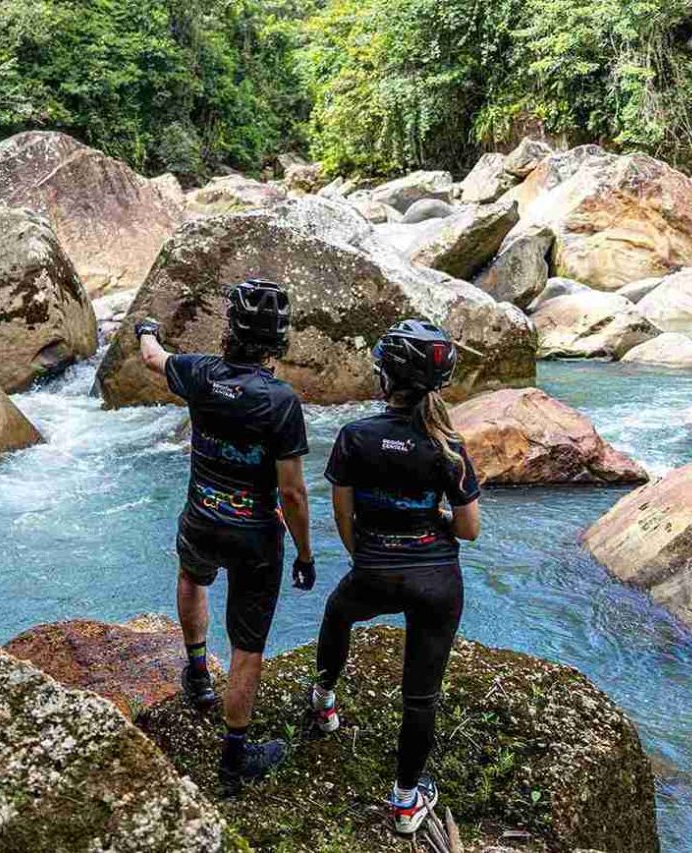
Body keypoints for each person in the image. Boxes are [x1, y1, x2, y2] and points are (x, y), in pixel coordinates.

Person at [135, 279, 315, 796]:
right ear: (278, 340)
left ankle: (197, 674)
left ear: (230, 328)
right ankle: (235, 761)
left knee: (193, 577)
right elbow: (292, 492)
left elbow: (152, 357)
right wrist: (305, 554)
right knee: (247, 647)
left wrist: (146, 328)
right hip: (255, 537)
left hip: (201, 516)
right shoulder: (281, 401)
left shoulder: (199, 373)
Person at [307, 319, 481, 835]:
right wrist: (434, 518)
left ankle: (324, 701)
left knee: (338, 614)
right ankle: (406, 803)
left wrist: (367, 556)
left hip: (374, 571)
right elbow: (469, 529)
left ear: (386, 378)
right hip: (437, 581)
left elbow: (342, 515)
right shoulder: (448, 444)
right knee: (421, 696)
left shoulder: (354, 436)